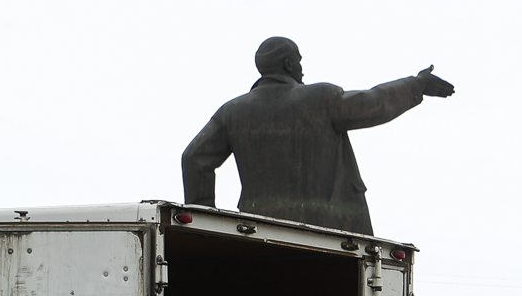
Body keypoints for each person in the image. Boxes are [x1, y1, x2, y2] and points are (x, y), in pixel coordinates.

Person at [181, 36, 455, 234]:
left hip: (260, 233)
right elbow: (373, 103)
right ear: (288, 65)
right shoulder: (320, 97)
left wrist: (206, 225)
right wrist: (416, 84)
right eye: (300, 62)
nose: (303, 69)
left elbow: (193, 159)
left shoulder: (232, 112)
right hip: (335, 233)